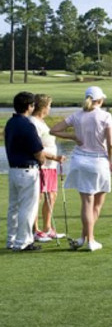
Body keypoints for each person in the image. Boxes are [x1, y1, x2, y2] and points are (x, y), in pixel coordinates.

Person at [51, 86, 112, 252]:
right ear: (100, 100)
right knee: (96, 205)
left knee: (88, 202)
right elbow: (111, 144)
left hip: (79, 161)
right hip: (99, 162)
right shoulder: (106, 116)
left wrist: (72, 136)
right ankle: (91, 241)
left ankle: (83, 238)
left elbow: (54, 130)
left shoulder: (76, 115)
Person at [5, 92, 49, 252]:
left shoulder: (11, 122)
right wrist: (43, 161)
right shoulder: (27, 125)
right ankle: (23, 241)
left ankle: (11, 240)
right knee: (27, 208)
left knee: (14, 207)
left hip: (14, 170)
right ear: (30, 107)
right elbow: (38, 152)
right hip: (27, 170)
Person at [31, 94, 73, 242]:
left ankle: (47, 228)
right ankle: (35, 231)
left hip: (51, 166)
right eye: (49, 106)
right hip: (42, 165)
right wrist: (55, 157)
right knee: (39, 197)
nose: (50, 109)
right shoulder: (33, 122)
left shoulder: (41, 121)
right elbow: (36, 147)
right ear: (43, 106)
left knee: (52, 195)